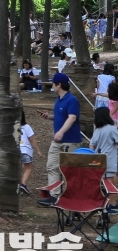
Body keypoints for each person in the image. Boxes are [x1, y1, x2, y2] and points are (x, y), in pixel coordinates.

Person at [37, 74, 82, 206]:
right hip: (57, 141)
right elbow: (60, 116)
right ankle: (54, 195)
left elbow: (72, 117)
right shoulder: (58, 100)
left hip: (70, 141)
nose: (52, 86)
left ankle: (73, 197)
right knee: (51, 166)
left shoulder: (72, 100)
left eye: (53, 83)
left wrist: (61, 132)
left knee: (70, 170)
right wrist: (50, 117)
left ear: (59, 85)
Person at [90, 107, 118, 210]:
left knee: (109, 181)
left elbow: (91, 145)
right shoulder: (112, 129)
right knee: (109, 183)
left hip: (98, 160)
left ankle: (110, 202)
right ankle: (111, 204)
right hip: (109, 160)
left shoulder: (97, 130)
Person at [18, 110, 42, 195]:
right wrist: (38, 151)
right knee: (28, 168)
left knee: (17, 169)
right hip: (25, 150)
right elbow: (32, 139)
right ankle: (23, 184)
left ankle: (17, 185)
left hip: (16, 150)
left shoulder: (13, 126)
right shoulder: (26, 127)